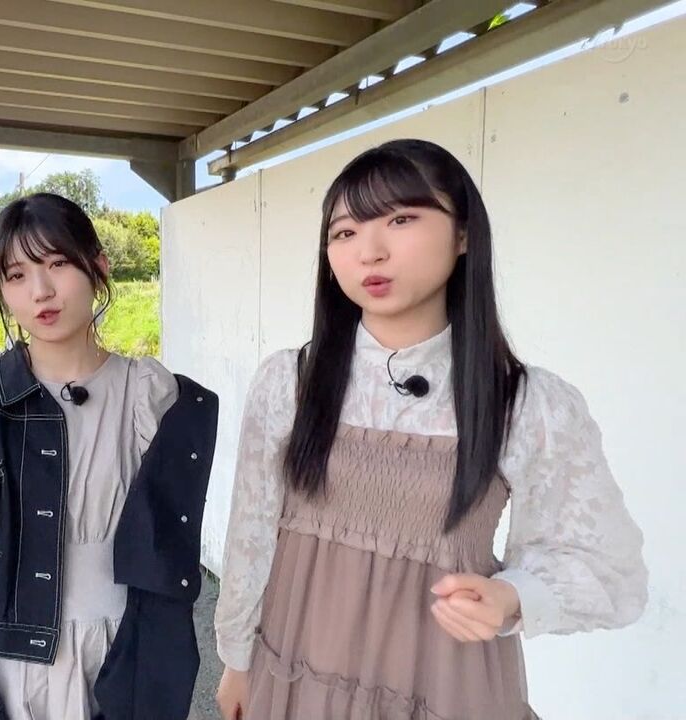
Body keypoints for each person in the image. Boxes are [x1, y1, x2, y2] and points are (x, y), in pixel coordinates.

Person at [214, 138, 648, 719]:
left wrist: (512, 596)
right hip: (295, 666)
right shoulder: (289, 382)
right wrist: (236, 660)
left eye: (401, 220)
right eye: (344, 232)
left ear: (464, 234)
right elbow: (250, 531)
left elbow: (609, 570)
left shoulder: (526, 404)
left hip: (441, 680)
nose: (369, 252)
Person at [0, 193, 218, 720]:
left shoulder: (153, 396)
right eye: (16, 275)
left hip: (129, 656)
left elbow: (169, 553)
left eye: (57, 263)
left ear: (98, 266)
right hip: (17, 667)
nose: (41, 291)